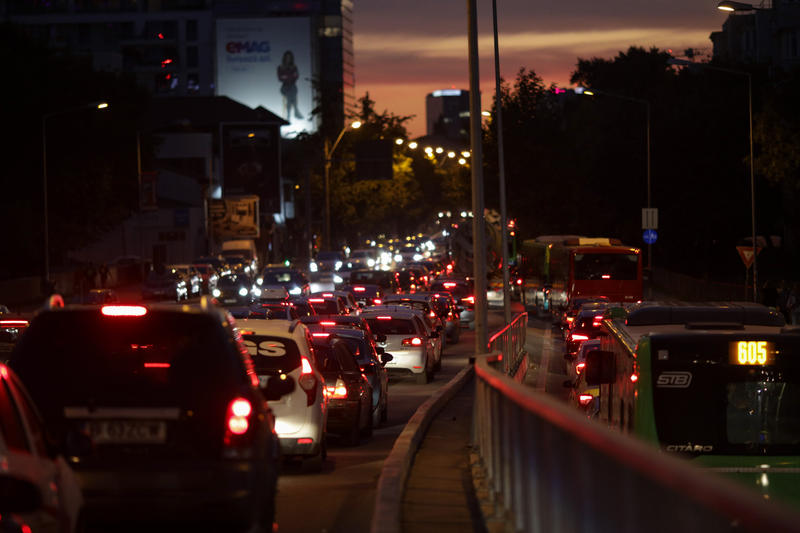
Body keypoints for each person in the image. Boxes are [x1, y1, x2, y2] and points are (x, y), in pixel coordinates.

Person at [277, 50, 303, 121]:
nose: (288, 59)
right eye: (287, 58)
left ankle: (288, 116)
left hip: (292, 87)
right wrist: (290, 76)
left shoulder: (294, 67)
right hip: (284, 87)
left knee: (290, 95)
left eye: (289, 58)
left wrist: (287, 76)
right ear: (285, 58)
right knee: (291, 94)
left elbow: (296, 76)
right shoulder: (280, 67)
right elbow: (280, 78)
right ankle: (295, 111)